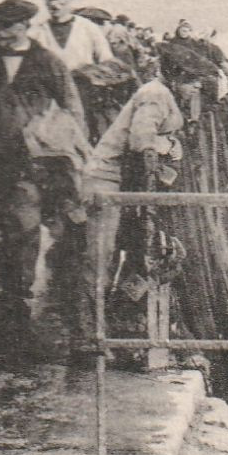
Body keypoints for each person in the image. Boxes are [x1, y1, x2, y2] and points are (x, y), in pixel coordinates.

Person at [0, 0, 85, 341]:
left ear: (24, 26)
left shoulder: (46, 61)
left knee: (24, 227)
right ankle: (6, 297)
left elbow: (71, 107)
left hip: (32, 163)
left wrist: (67, 154)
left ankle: (19, 298)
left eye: (7, 26)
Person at [78, 42, 204, 333]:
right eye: (190, 81)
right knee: (101, 256)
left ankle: (111, 326)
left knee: (131, 253)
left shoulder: (165, 95)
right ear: (175, 77)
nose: (195, 86)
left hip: (127, 179)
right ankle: (89, 333)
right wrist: (160, 158)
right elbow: (141, 142)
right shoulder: (154, 95)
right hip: (107, 179)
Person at [30, 0, 116, 72]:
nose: (53, 4)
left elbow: (106, 60)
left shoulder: (88, 28)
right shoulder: (37, 31)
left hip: (84, 84)